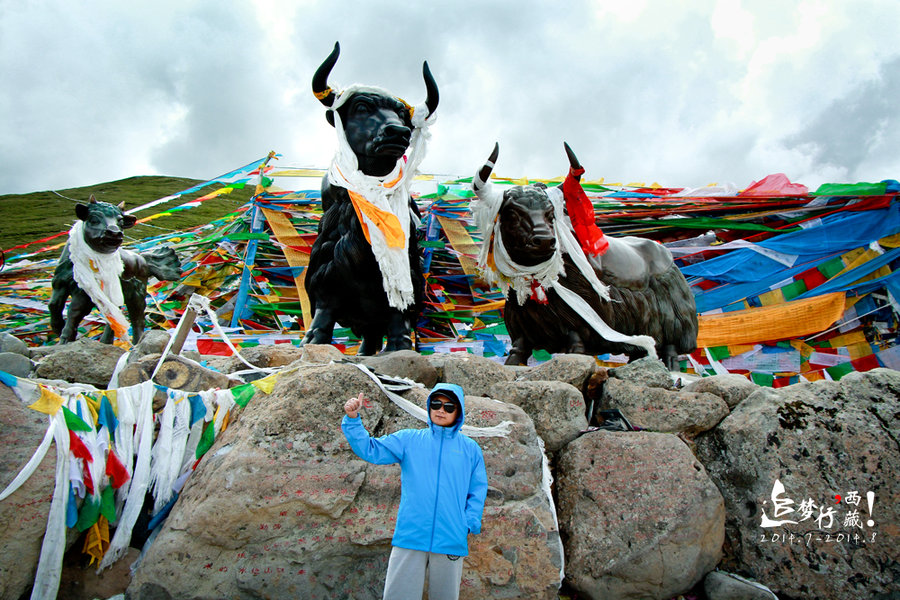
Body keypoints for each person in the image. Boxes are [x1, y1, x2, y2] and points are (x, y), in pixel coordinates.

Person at [341, 383, 488, 600]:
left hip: (451, 536)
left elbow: (477, 490)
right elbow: (371, 450)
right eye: (436, 404)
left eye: (449, 407)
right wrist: (353, 420)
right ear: (429, 406)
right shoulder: (409, 440)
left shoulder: (470, 449)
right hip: (410, 534)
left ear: (459, 412)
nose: (441, 410)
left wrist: (467, 523)